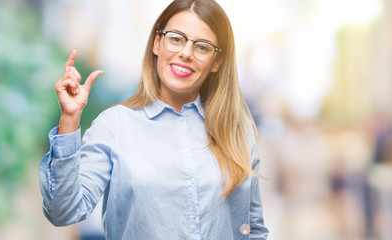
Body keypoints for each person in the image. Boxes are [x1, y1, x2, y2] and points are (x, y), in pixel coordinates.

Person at [39, 0, 268, 239]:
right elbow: (63, 213)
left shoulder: (237, 130)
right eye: (176, 38)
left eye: (202, 47)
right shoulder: (115, 125)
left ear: (217, 61)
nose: (186, 53)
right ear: (157, 43)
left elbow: (253, 229)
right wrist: (70, 118)